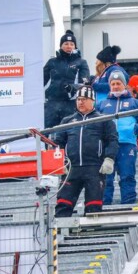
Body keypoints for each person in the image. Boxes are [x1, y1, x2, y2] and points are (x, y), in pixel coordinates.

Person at [52, 86, 118, 217]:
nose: (80, 102)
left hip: (94, 169)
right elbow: (57, 143)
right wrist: (59, 162)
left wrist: (109, 158)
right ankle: (59, 235)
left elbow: (112, 140)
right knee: (63, 204)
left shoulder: (104, 119)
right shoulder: (67, 121)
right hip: (71, 168)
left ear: (92, 100)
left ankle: (93, 234)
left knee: (93, 207)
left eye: (84, 99)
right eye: (78, 99)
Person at [96, 71, 138, 205]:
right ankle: (104, 205)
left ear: (124, 85)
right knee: (106, 177)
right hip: (107, 145)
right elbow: (93, 122)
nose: (116, 86)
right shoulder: (102, 104)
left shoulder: (135, 103)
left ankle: (128, 204)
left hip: (127, 144)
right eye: (113, 84)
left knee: (127, 176)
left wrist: (135, 129)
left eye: (118, 83)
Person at [43, 30, 90, 129]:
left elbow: (85, 84)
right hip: (52, 103)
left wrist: (72, 88)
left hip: (71, 103)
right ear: (61, 46)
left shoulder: (81, 62)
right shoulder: (52, 62)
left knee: (69, 131)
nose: (69, 46)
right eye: (66, 44)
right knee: (47, 132)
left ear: (75, 46)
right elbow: (40, 81)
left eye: (72, 44)